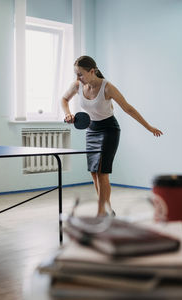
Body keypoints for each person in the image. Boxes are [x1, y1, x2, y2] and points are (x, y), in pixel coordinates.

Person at [61, 56, 163, 216]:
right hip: (91, 130)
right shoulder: (77, 85)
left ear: (92, 71)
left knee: (102, 173)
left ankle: (101, 213)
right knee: (94, 173)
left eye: (80, 74)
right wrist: (68, 114)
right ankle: (107, 209)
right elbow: (64, 99)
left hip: (109, 130)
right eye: (76, 74)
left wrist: (149, 127)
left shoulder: (107, 88)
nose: (77, 78)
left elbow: (128, 108)